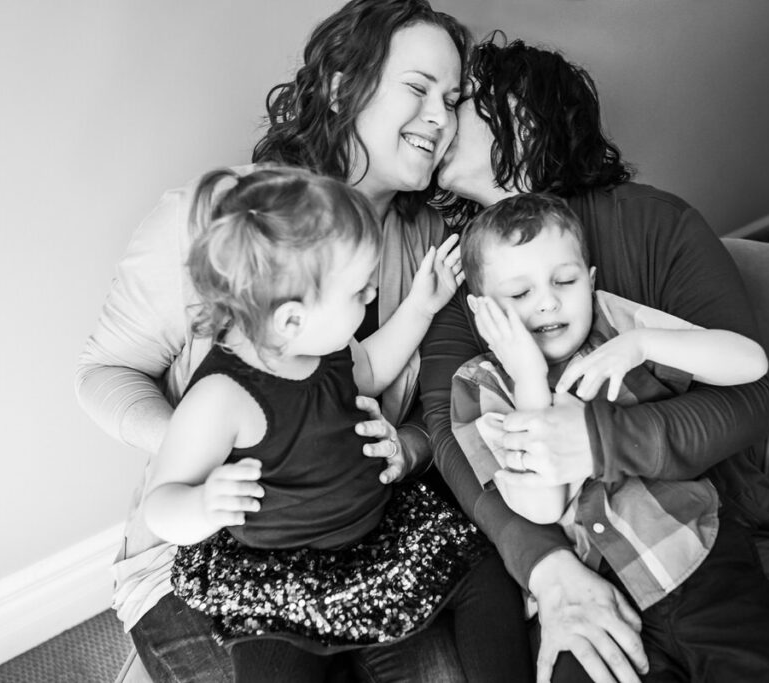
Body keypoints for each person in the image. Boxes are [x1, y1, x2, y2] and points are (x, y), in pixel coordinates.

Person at [74, 2, 530, 681]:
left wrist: (405, 446)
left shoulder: (433, 248)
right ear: (344, 87)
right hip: (215, 550)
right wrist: (207, 448)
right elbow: (103, 372)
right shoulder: (216, 230)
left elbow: (442, 399)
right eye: (418, 88)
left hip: (366, 532)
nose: (441, 116)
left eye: (452, 98)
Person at [421, 38, 769, 683]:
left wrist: (594, 441)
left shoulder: (655, 224)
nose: (439, 118)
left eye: (458, 101)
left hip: (710, 543)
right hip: (577, 556)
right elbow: (449, 432)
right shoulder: (467, 272)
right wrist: (547, 569)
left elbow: (750, 395)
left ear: (519, 118)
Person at [141, 165, 531, 683]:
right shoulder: (220, 398)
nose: (370, 298)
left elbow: (368, 370)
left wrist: (421, 305)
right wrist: (200, 504)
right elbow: (160, 504)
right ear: (291, 320)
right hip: (280, 571)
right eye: (359, 292)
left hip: (380, 530)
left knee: (485, 575)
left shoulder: (325, 346)